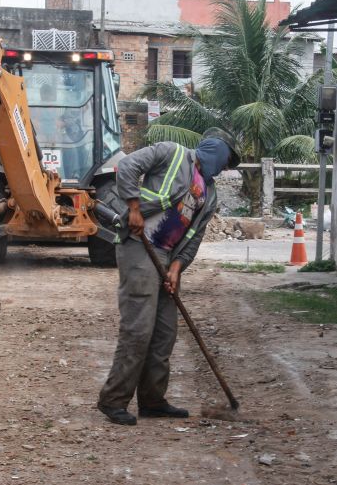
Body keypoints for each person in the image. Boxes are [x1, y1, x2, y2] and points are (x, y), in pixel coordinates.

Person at [97, 128, 241, 425]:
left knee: (164, 331)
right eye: (226, 161)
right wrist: (133, 208)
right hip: (139, 246)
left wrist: (176, 269)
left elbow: (194, 237)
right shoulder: (171, 152)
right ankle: (113, 400)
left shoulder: (210, 194)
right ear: (215, 150)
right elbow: (127, 166)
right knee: (139, 327)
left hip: (167, 258)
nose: (224, 169)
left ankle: (152, 400)